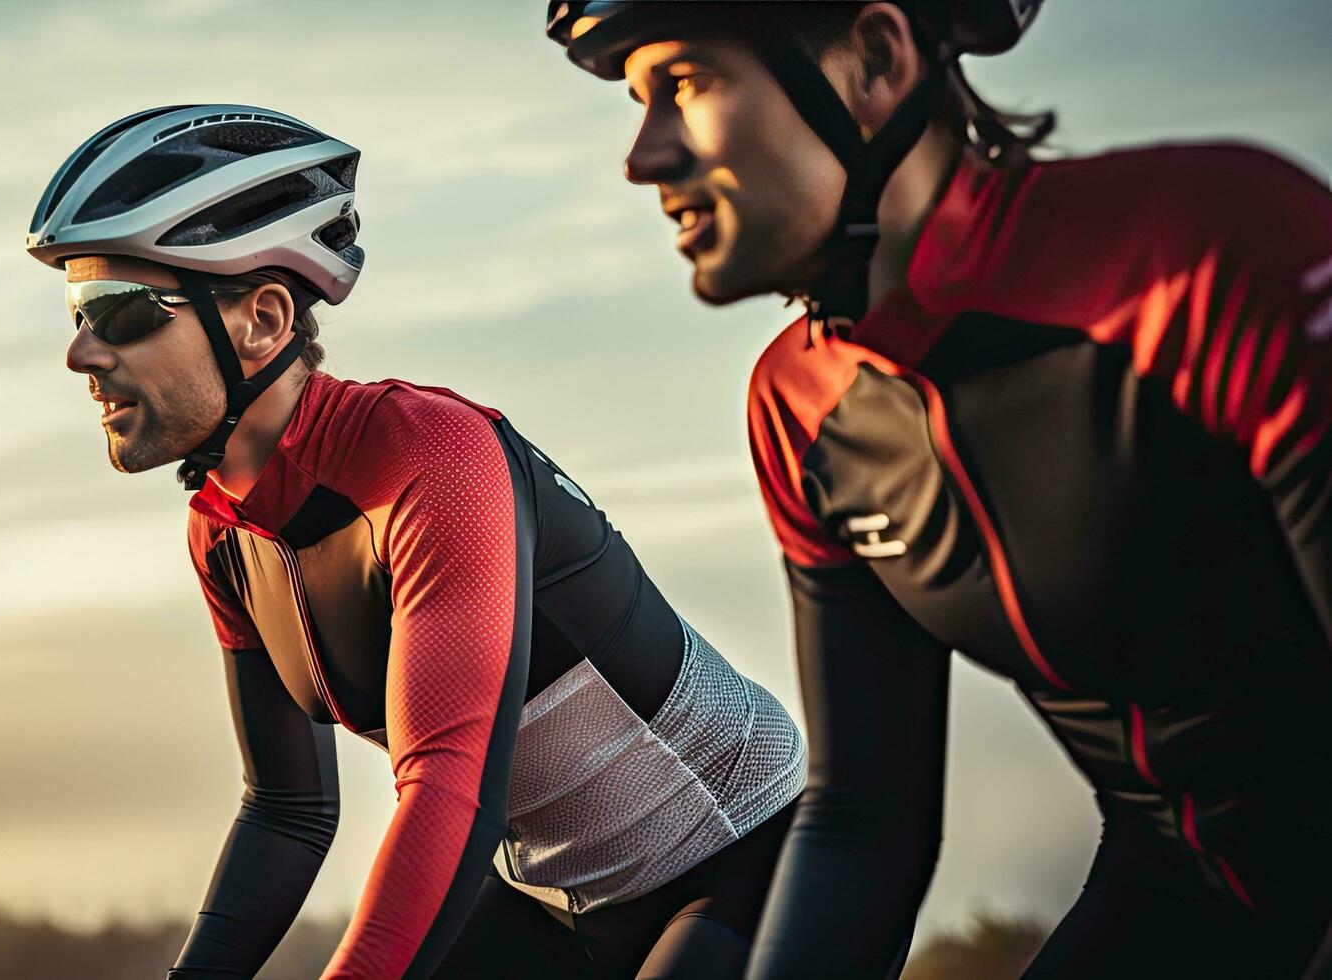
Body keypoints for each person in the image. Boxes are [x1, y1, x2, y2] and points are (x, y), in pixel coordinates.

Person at [543, 2, 1332, 977]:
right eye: (635, 102)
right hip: (1179, 888)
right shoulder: (800, 403)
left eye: (688, 84)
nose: (641, 157)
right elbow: (863, 818)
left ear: (874, 60)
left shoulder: (1202, 248)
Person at [26, 103, 808, 979]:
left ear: (264, 319)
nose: (80, 353)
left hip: (740, 862)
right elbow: (287, 811)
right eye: (76, 312)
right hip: (549, 896)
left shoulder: (430, 456)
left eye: (121, 310)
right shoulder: (224, 530)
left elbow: (448, 786)